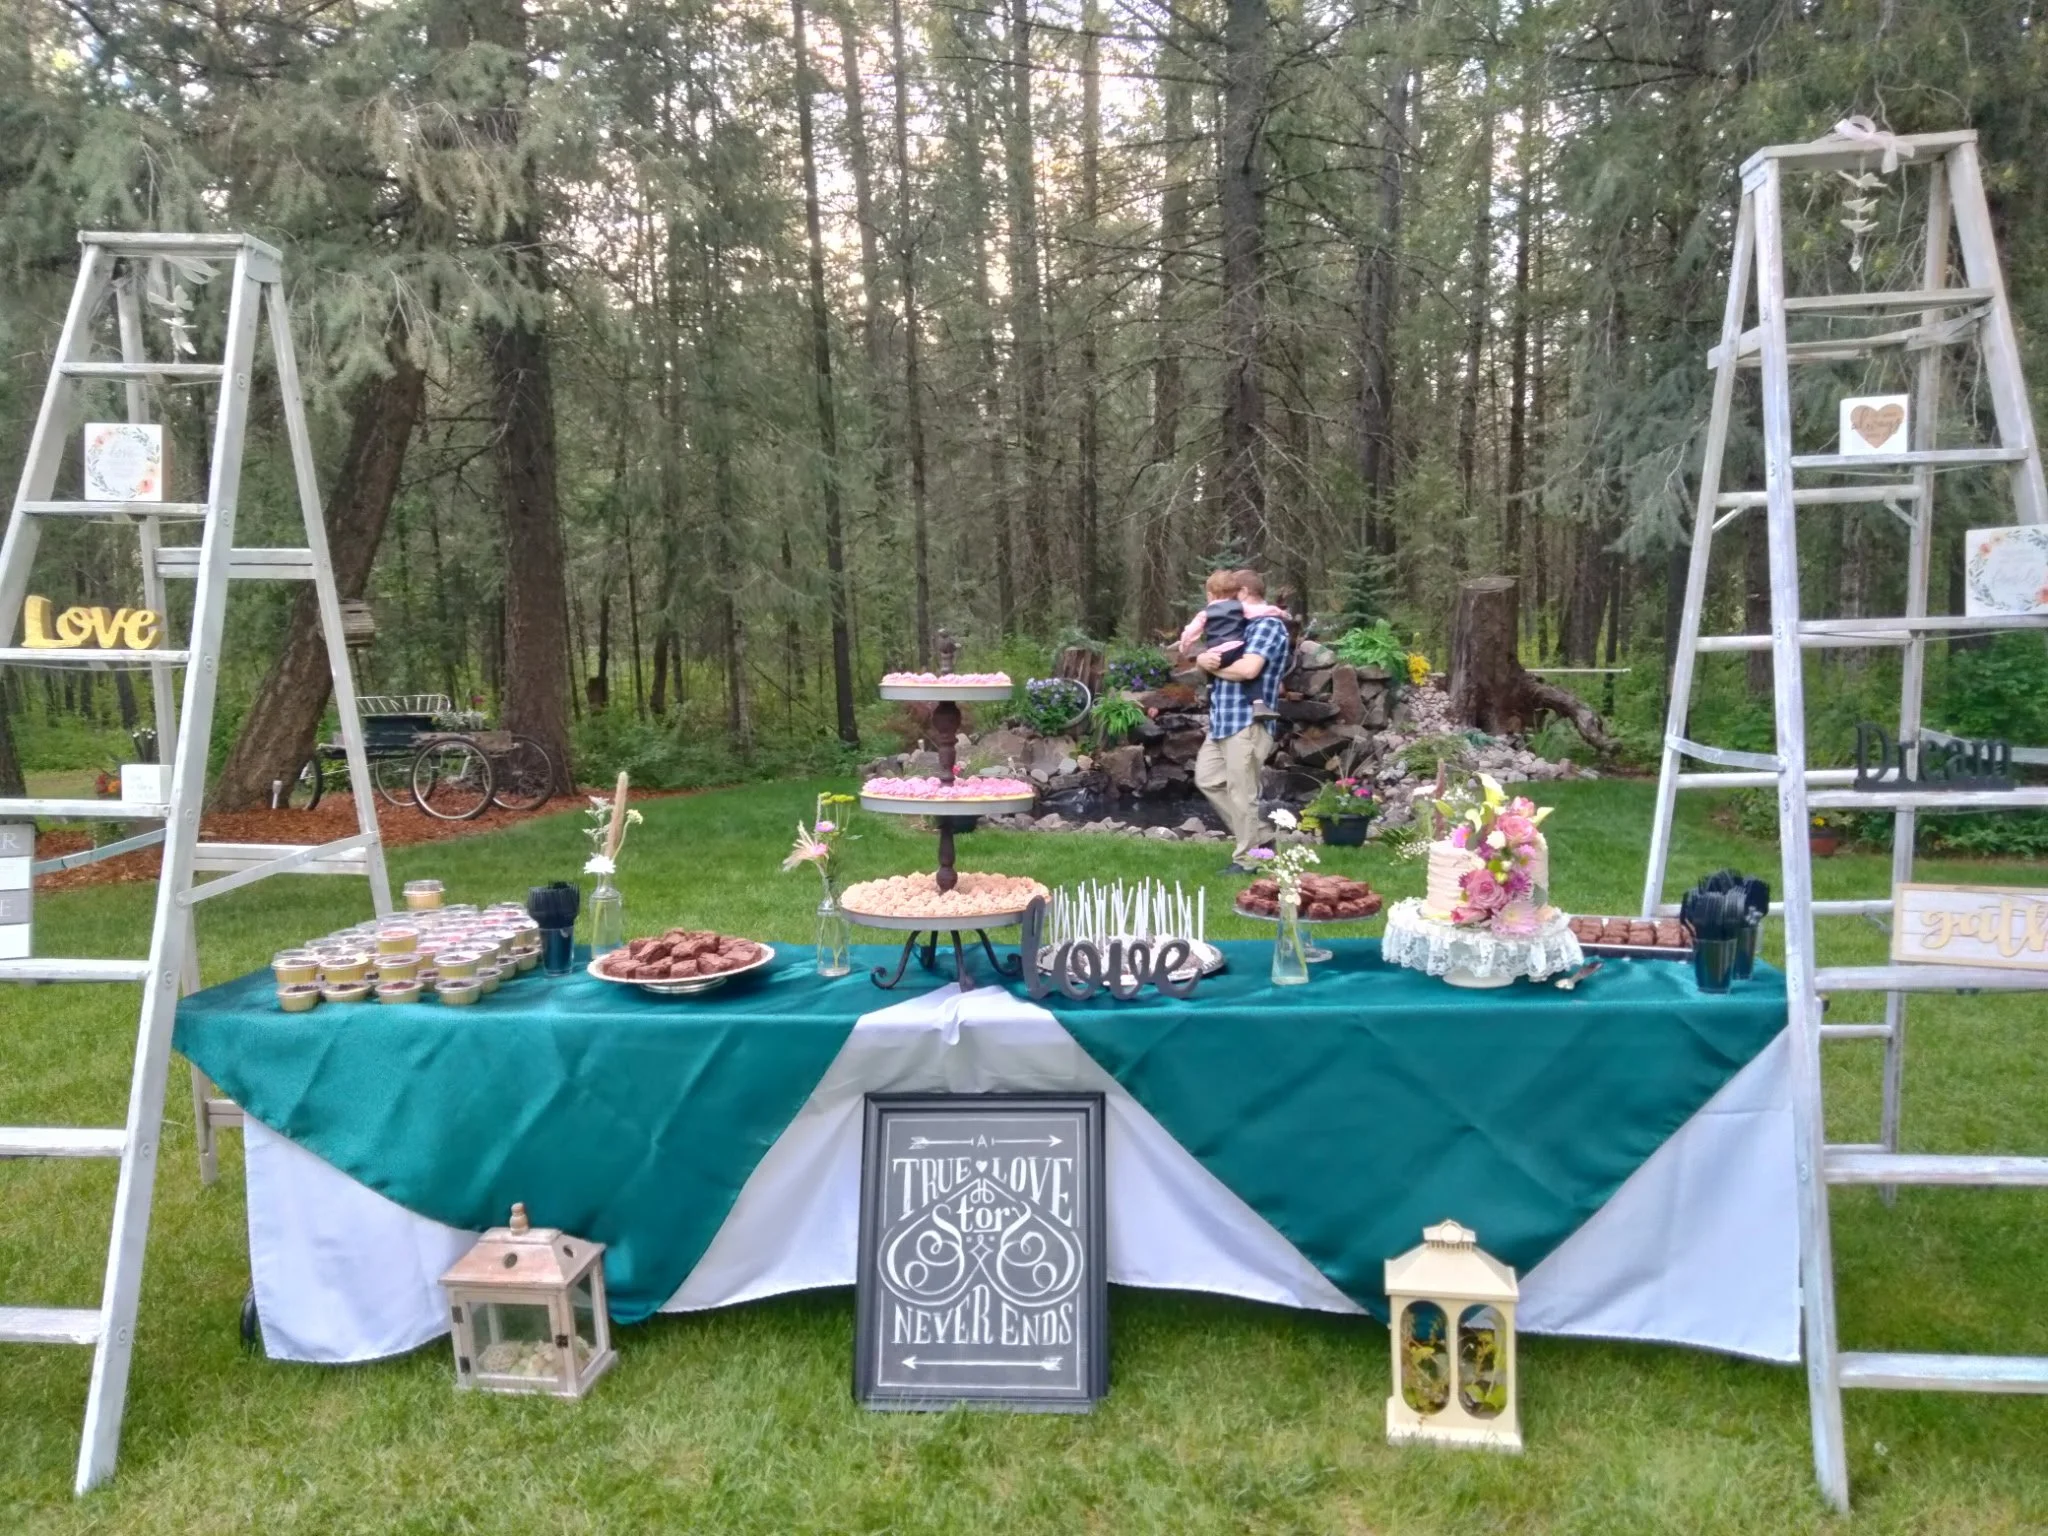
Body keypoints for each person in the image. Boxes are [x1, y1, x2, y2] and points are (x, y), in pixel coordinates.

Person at [1193, 569, 1292, 870]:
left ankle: (1248, 860)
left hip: (1248, 722)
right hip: (1222, 721)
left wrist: (1209, 665)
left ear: (1244, 593)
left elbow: (1248, 670)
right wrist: (1201, 659)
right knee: (1207, 779)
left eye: (1229, 594)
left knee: (1242, 792)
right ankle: (1261, 838)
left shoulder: (1268, 626)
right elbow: (1213, 657)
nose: (1222, 602)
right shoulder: (1236, 627)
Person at [1175, 568, 1290, 664]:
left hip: (1216, 652)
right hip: (1235, 649)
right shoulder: (1241, 610)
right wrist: (1281, 612)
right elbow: (1264, 610)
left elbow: (1190, 632)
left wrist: (1184, 648)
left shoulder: (1205, 614)